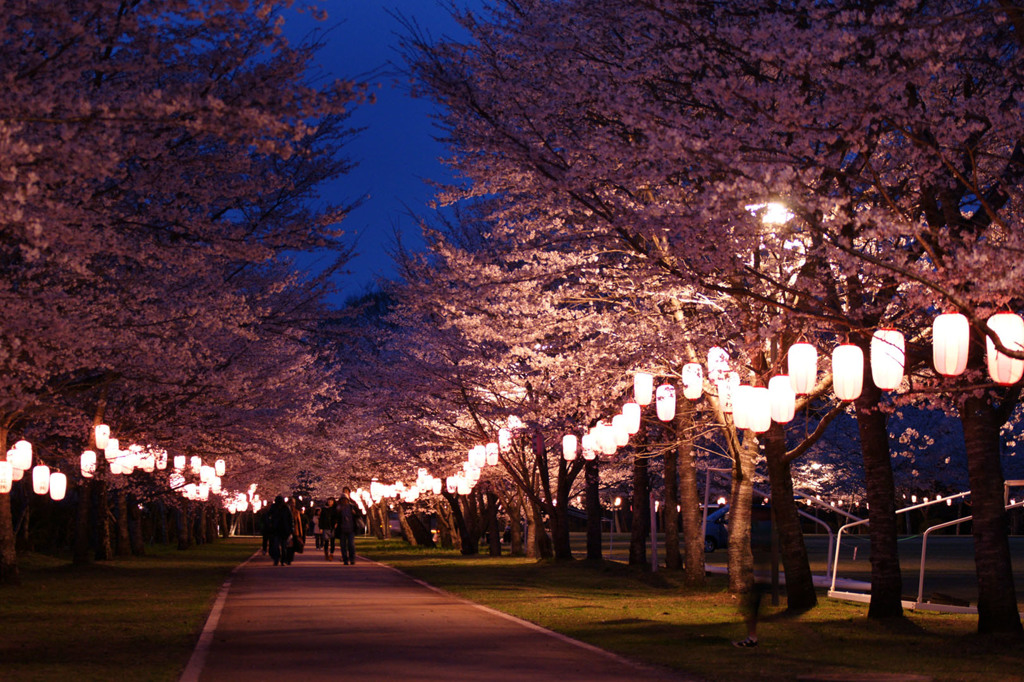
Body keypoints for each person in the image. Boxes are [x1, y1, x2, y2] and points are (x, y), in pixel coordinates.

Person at [733, 506, 773, 648]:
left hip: (761, 576)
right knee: (750, 607)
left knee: (751, 608)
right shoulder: (762, 528)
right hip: (760, 576)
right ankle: (752, 636)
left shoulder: (765, 529)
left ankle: (752, 637)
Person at [334, 487, 362, 565]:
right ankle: (345, 559)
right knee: (343, 546)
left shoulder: (352, 506)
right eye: (342, 499)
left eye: (345, 499)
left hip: (351, 528)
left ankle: (352, 558)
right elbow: (335, 517)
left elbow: (359, 514)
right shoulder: (338, 507)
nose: (344, 501)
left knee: (351, 545)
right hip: (342, 529)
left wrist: (355, 513)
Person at [264, 495, 293, 566]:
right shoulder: (275, 507)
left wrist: (291, 529)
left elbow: (290, 519)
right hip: (277, 529)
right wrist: (270, 523)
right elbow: (268, 515)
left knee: (282, 546)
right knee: (276, 546)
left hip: (283, 529)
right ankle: (277, 559)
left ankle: (282, 560)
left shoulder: (285, 508)